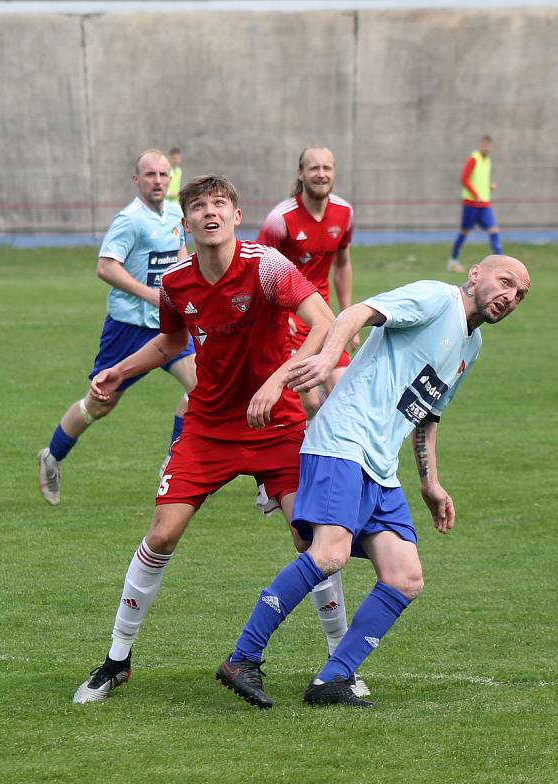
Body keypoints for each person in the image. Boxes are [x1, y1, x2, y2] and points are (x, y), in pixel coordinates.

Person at [72, 174, 362, 704]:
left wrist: (276, 383)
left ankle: (340, 665)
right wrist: (118, 370)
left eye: (219, 204)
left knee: (313, 542)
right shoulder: (176, 282)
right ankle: (116, 660)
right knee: (161, 536)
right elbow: (171, 341)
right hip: (208, 427)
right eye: (199, 206)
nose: (210, 212)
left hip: (277, 424)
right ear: (186, 224)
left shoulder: (267, 266)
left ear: (235, 216)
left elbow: (323, 321)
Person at [215, 254, 531, 709]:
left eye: (519, 294)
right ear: (475, 275)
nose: (509, 297)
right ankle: (242, 658)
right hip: (343, 441)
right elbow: (355, 312)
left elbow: (429, 410)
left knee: (405, 578)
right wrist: (326, 360)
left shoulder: (472, 344)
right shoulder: (434, 298)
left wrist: (430, 482)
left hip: (380, 465)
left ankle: (332, 681)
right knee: (328, 554)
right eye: (505, 283)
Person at [38, 150, 196, 506]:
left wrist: (186, 292)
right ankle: (53, 455)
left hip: (169, 328)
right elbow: (106, 267)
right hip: (128, 328)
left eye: (163, 174)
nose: (158, 180)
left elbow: (180, 255)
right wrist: (151, 295)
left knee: (202, 388)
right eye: (150, 174)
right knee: (100, 404)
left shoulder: (175, 213)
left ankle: (174, 463)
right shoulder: (129, 220)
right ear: (136, 180)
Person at [257, 146, 357, 417]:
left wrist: (349, 316)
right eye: (314, 168)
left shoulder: (344, 213)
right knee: (310, 403)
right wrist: (276, 313)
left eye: (327, 168)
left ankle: (319, 455)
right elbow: (256, 270)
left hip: (321, 320)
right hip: (287, 322)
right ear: (300, 173)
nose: (321, 174)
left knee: (344, 394)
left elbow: (342, 264)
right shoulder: (280, 219)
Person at [447, 136, 503, 273]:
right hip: (471, 203)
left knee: (494, 230)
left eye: (489, 146)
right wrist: (475, 194)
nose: (487, 148)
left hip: (484, 204)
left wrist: (489, 186)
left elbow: (480, 180)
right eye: (484, 145)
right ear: (480, 145)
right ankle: (453, 262)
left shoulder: (488, 161)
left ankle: (501, 264)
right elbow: (464, 178)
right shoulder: (474, 159)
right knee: (464, 232)